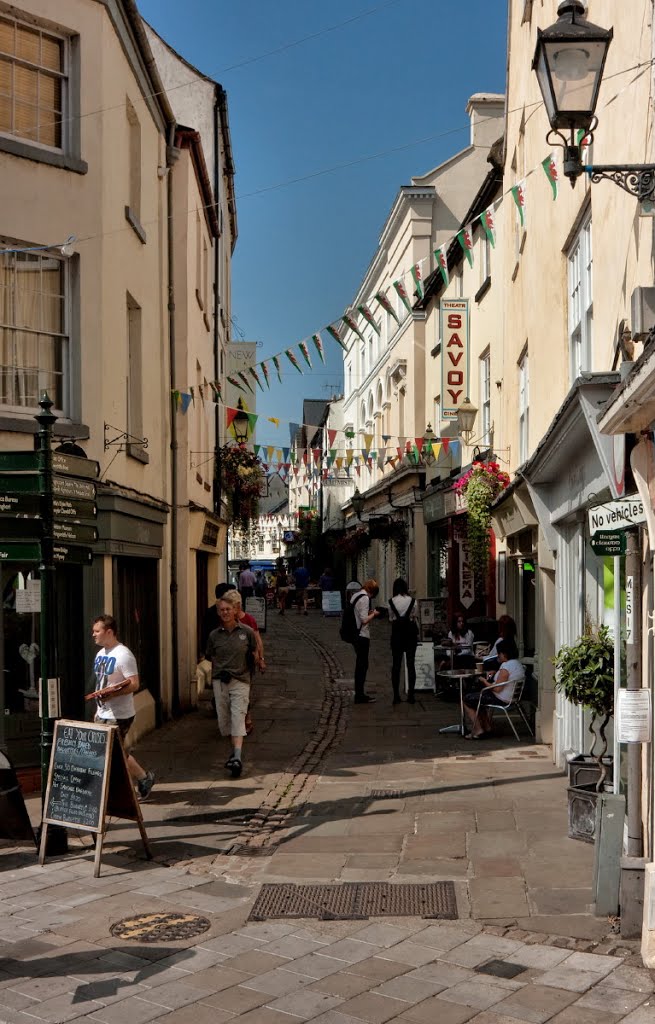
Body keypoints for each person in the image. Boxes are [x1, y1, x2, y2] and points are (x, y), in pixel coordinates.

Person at [91, 615, 155, 801]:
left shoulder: (123, 654)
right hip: (102, 711)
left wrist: (112, 694)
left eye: (97, 631)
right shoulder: (101, 654)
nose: (93, 634)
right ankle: (144, 778)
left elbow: (134, 684)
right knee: (115, 753)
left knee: (111, 754)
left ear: (109, 632)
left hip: (119, 714)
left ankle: (116, 793)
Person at [206, 590, 257, 776]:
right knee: (224, 723)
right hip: (220, 681)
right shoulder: (214, 636)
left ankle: (237, 756)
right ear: (218, 613)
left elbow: (253, 652)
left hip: (240, 681)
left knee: (238, 718)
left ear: (235, 611)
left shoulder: (247, 632)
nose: (225, 612)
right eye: (222, 610)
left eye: (228, 609)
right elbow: (211, 656)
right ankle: (234, 751)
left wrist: (251, 671)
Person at [463, 638, 525, 739]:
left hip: (502, 699)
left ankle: (478, 730)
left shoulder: (506, 666)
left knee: (467, 699)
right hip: (512, 698)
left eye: (499, 653)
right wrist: (496, 673)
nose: (498, 656)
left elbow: (497, 689)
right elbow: (506, 678)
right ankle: (487, 728)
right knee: (479, 698)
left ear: (504, 654)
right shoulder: (516, 663)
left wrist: (484, 681)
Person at [388, 578, 419, 705]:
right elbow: (414, 616)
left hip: (397, 634)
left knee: (396, 665)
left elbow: (391, 618)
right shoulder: (413, 601)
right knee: (410, 664)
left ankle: (396, 696)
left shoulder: (391, 602)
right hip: (410, 634)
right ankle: (411, 695)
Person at [351, 578, 380, 704]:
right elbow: (363, 620)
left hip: (355, 634)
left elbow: (358, 614)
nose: (372, 597)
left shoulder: (355, 596)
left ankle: (359, 692)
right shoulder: (365, 598)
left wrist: (368, 613)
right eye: (373, 594)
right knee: (362, 665)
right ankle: (359, 694)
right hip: (362, 635)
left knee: (360, 664)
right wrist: (374, 614)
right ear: (371, 591)